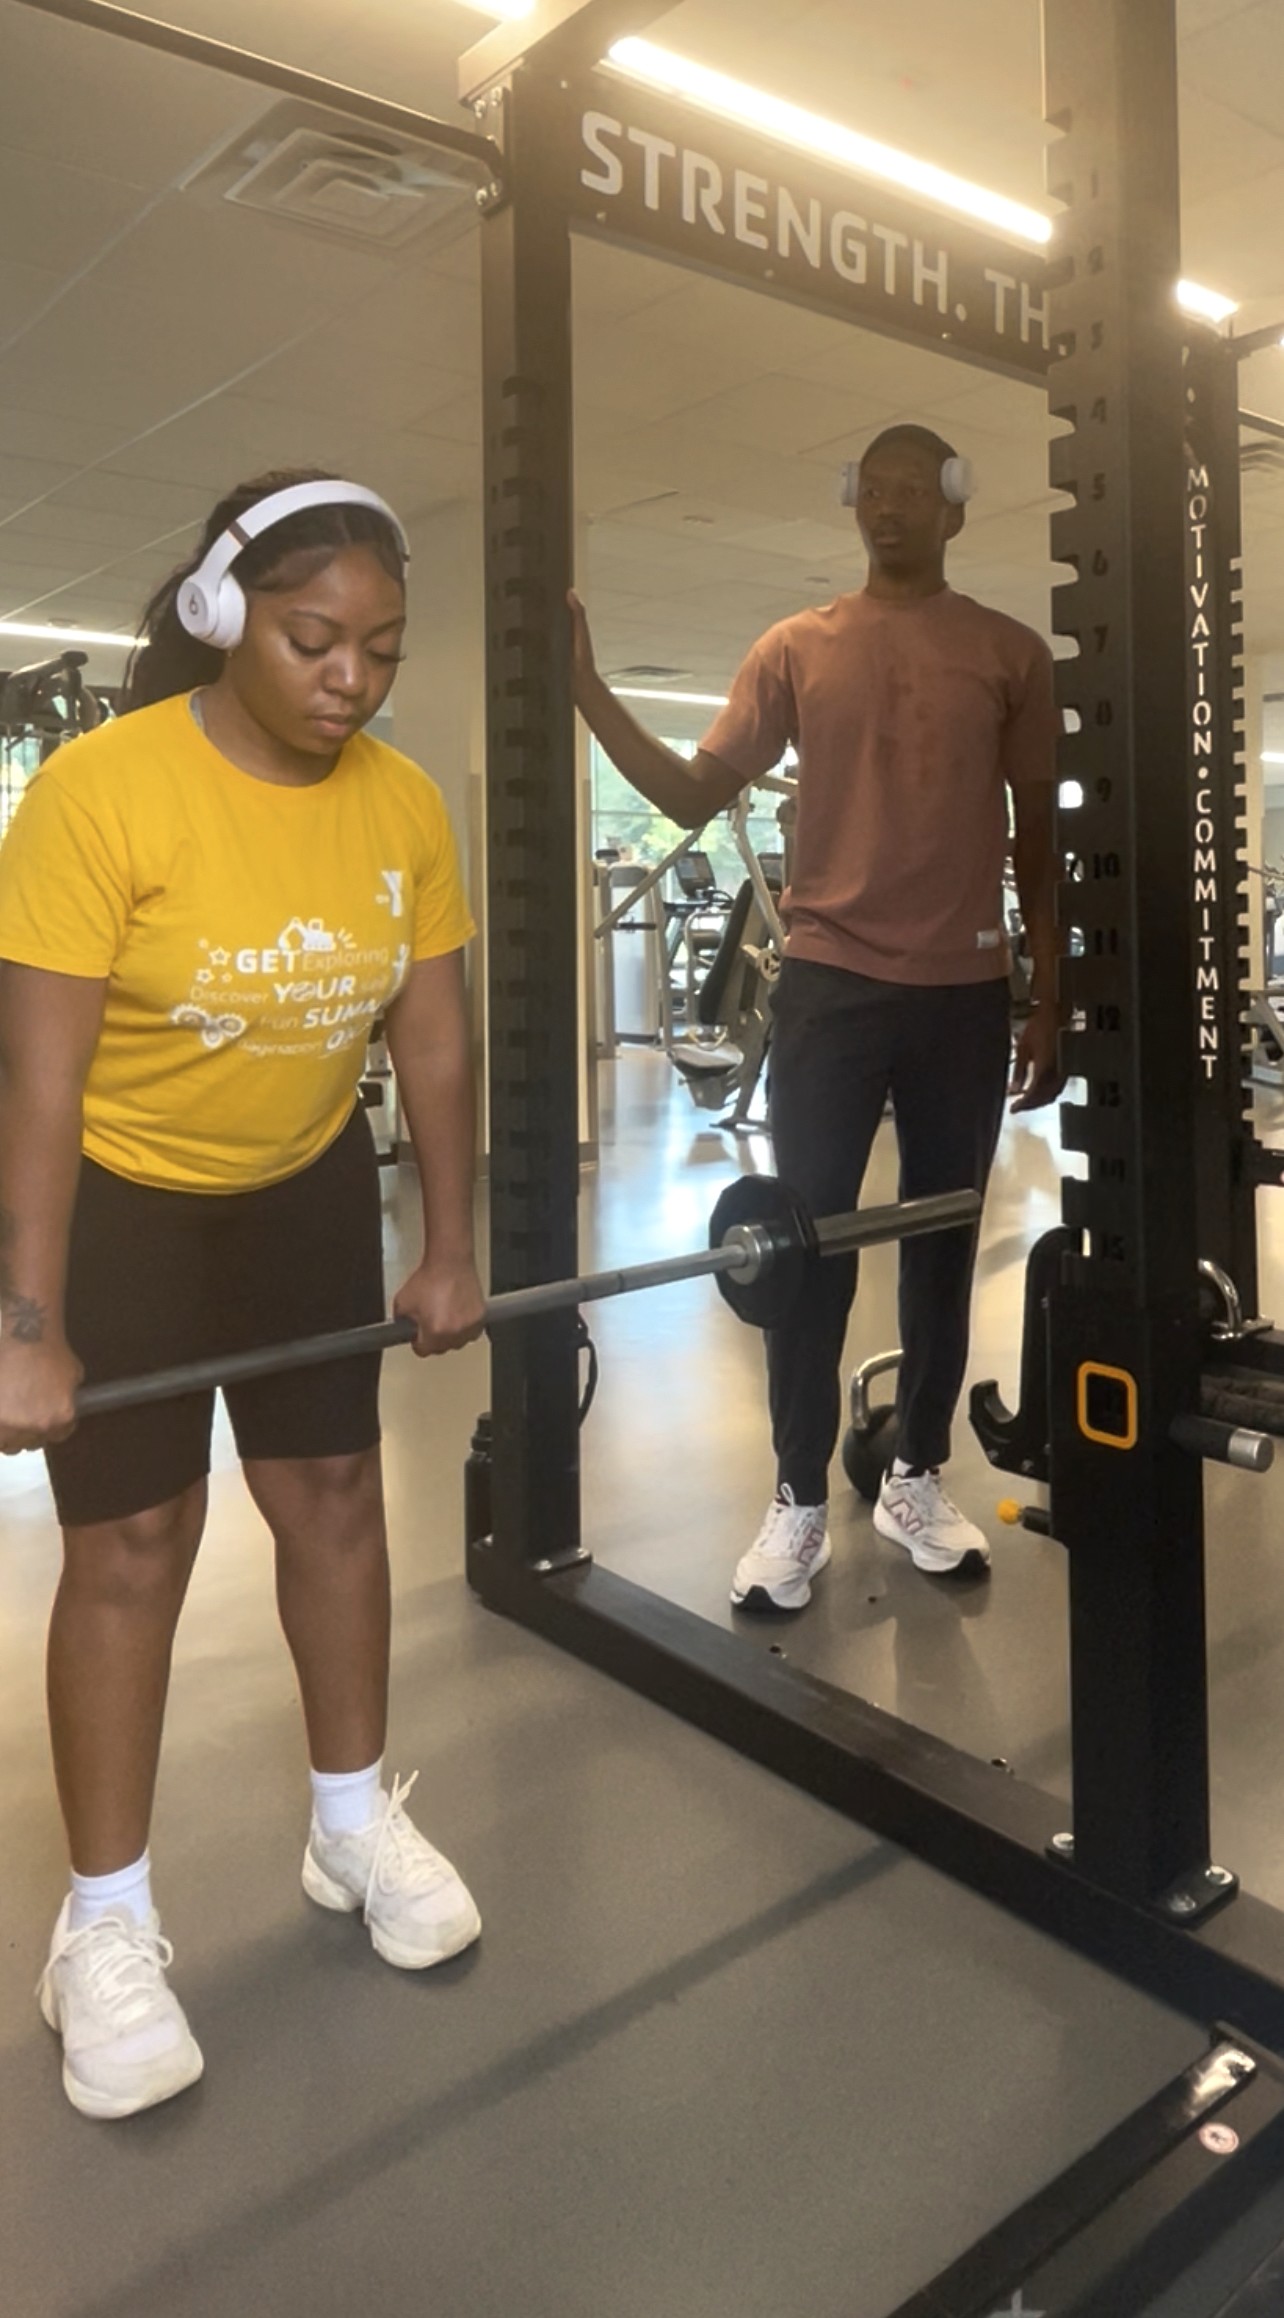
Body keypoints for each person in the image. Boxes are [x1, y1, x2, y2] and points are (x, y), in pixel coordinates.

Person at [0, 470, 487, 2120]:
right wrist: (27, 1320)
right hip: (125, 1200)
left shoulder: (400, 806)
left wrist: (448, 1242)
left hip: (301, 1184)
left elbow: (432, 1035)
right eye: (312, 638)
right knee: (133, 1543)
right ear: (222, 616)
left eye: (381, 648)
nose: (350, 677)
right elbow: (37, 1083)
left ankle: (350, 1826)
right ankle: (103, 1924)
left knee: (336, 1497)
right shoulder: (99, 792)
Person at [571, 423, 1062, 1613]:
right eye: (871, 490)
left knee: (943, 1246)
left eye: (913, 490)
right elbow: (691, 791)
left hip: (964, 991)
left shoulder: (1009, 652)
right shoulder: (795, 647)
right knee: (804, 1247)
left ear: (954, 506)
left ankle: (915, 1474)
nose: (888, 507)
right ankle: (796, 1495)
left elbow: (1041, 836)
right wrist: (583, 687)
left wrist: (1049, 991)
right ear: (853, 503)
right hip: (830, 986)